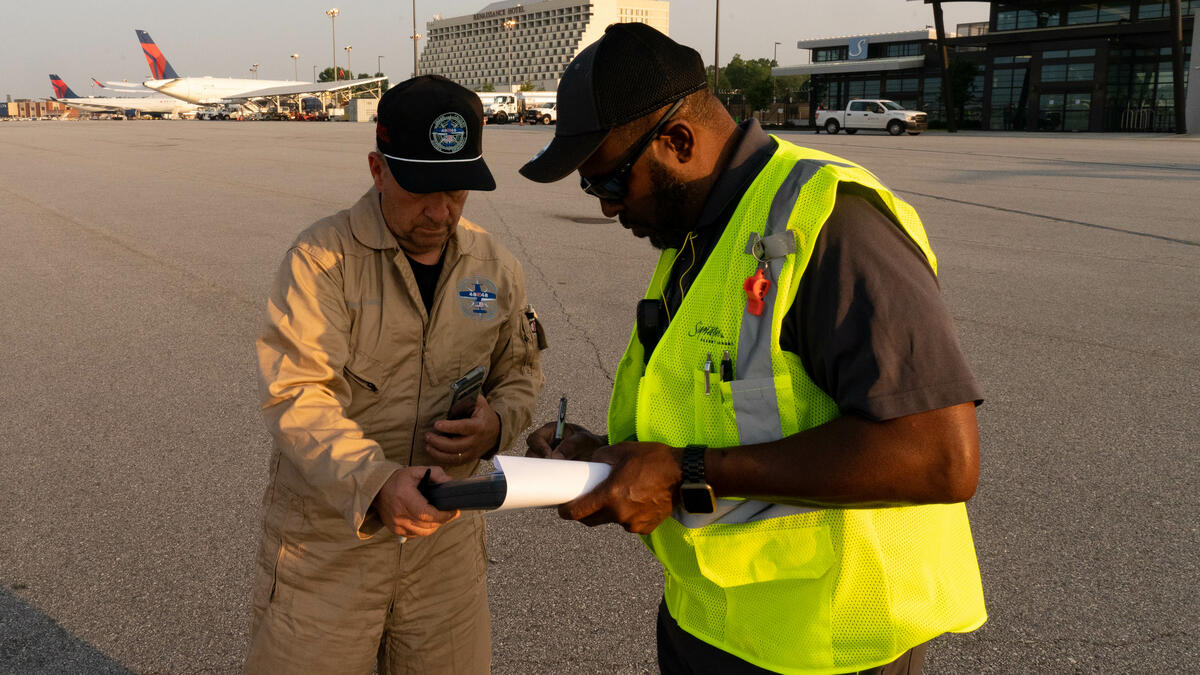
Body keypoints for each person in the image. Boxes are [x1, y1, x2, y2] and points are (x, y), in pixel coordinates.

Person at [520, 24, 985, 675]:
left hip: (823, 648)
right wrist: (601, 461)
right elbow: (714, 409)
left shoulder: (831, 223)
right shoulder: (698, 229)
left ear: (678, 142)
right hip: (712, 624)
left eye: (611, 184)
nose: (605, 209)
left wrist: (685, 472)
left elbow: (940, 457)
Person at [246, 75, 544, 674]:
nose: (441, 211)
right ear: (378, 168)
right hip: (330, 547)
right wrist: (377, 483)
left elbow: (520, 372)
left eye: (457, 189)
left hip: (446, 551)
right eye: (421, 188)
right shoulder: (322, 261)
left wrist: (497, 425)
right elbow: (297, 394)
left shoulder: (496, 267)